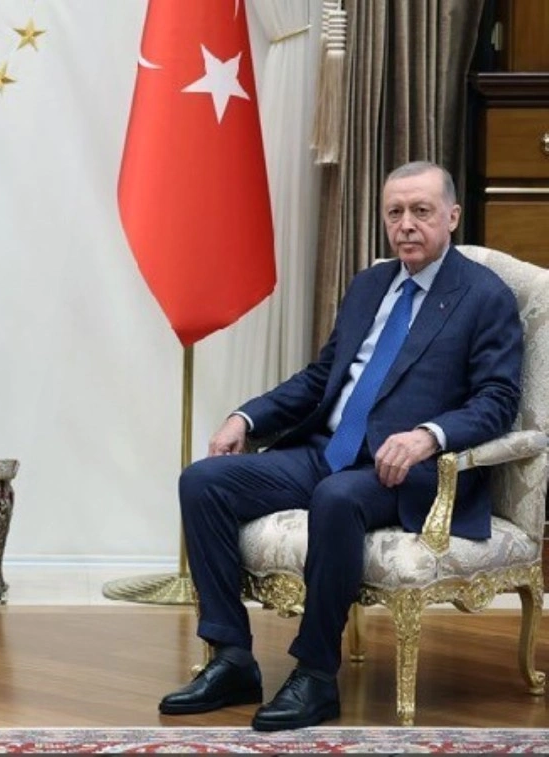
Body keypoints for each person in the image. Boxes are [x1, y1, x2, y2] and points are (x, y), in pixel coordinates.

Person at [158, 161, 523, 731]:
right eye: (395, 212)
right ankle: (231, 658)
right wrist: (245, 417)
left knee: (337, 498)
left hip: (405, 470)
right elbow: (321, 378)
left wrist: (429, 436)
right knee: (203, 481)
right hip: (329, 450)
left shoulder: (484, 296)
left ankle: (315, 675)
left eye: (421, 211)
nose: (406, 224)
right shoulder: (370, 286)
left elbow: (498, 400)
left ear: (452, 216)